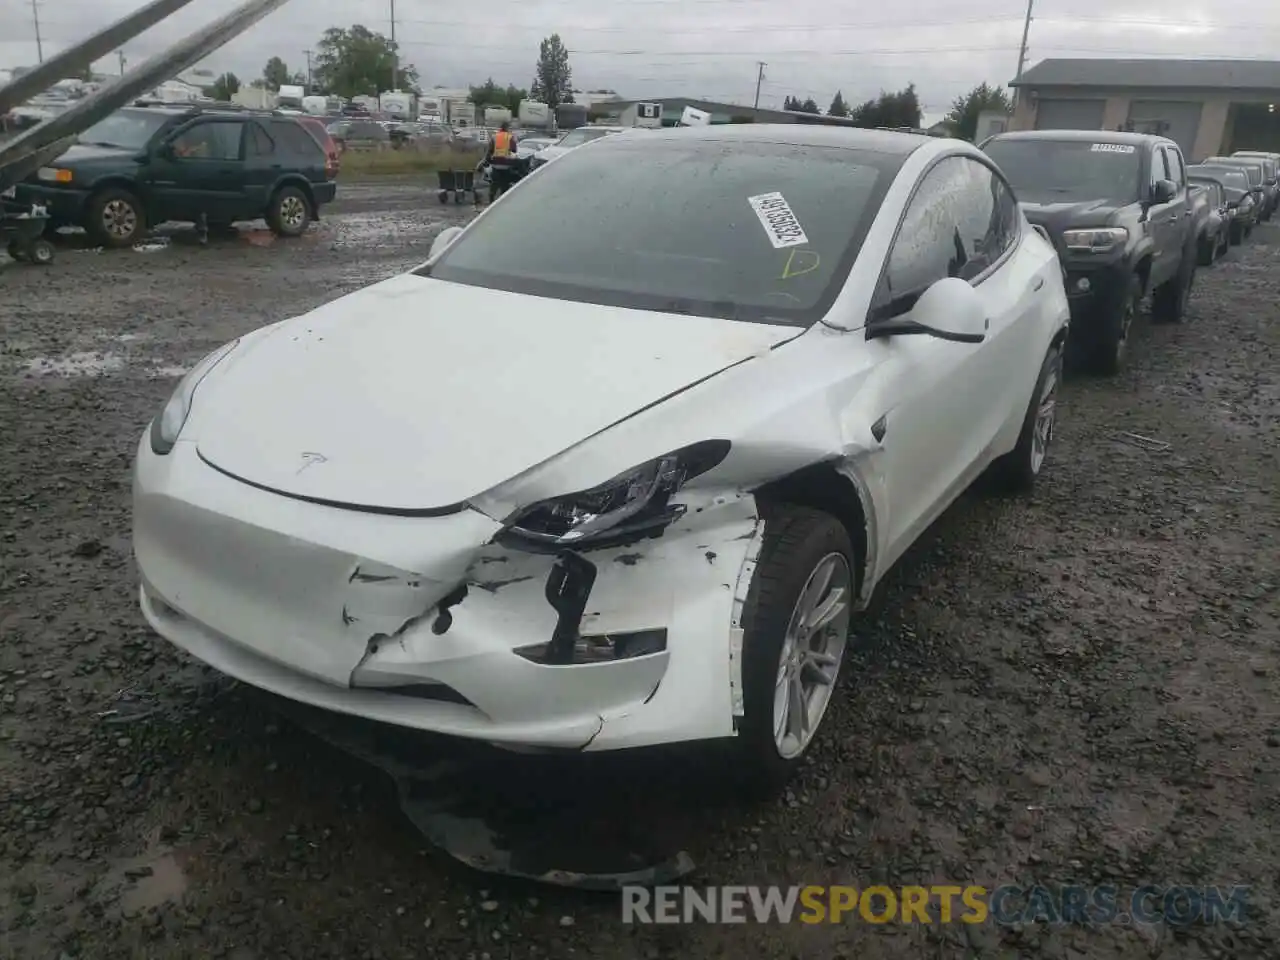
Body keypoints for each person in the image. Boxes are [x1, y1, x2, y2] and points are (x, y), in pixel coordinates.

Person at [482, 121, 519, 203]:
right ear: (507, 128)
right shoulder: (510, 137)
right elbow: (514, 150)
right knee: (505, 185)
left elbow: (490, 150)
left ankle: (491, 200)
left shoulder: (495, 136)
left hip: (496, 164)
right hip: (507, 165)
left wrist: (487, 160)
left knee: (494, 183)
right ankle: (502, 201)